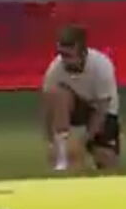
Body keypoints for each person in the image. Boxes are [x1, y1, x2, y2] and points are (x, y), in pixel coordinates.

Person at [42, 25, 121, 173]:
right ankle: (62, 158)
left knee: (107, 161)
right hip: (77, 108)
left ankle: (91, 152)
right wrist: (51, 142)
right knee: (58, 94)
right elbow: (48, 107)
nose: (64, 60)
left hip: (102, 112)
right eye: (61, 54)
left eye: (69, 55)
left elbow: (102, 109)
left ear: (83, 53)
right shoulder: (55, 69)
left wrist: (83, 142)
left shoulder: (102, 66)